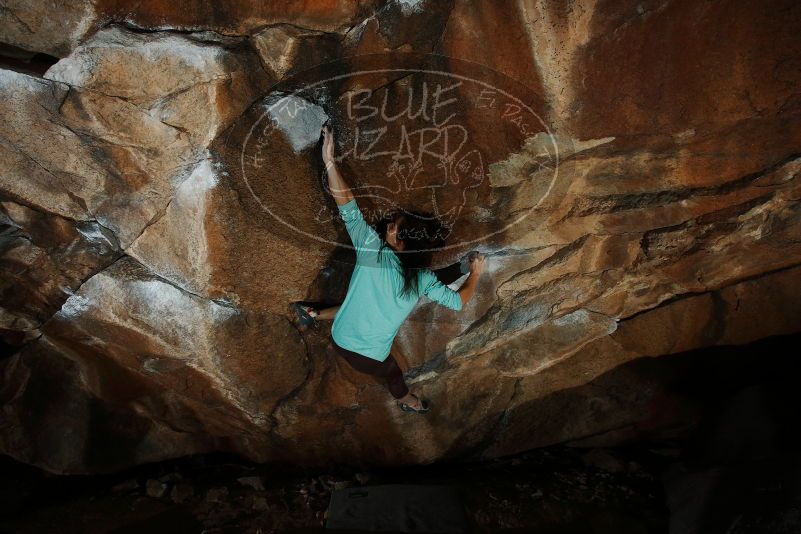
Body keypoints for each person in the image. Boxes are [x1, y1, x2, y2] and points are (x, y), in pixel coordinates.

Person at [292, 124, 486, 414]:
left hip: (343, 335)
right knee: (393, 372)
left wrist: (330, 163)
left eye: (397, 230)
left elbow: (347, 204)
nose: (392, 228)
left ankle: (314, 313)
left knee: (359, 308)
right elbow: (459, 300)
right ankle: (408, 402)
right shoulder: (420, 277)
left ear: (402, 244)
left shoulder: (373, 252)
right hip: (363, 353)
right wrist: (477, 274)